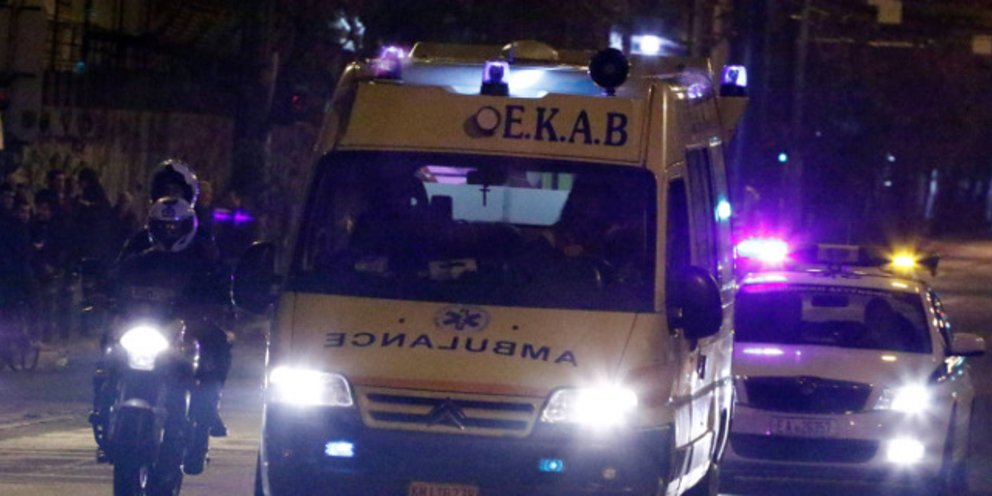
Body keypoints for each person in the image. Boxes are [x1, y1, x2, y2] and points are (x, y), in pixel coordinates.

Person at [95, 197, 232, 452]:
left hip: (181, 329)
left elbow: (220, 289)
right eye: (163, 227)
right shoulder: (137, 261)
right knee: (108, 349)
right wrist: (102, 296)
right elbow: (113, 283)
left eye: (175, 227)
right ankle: (102, 404)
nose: (169, 233)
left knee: (216, 346)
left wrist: (217, 306)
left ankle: (205, 414)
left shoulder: (202, 262)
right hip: (142, 326)